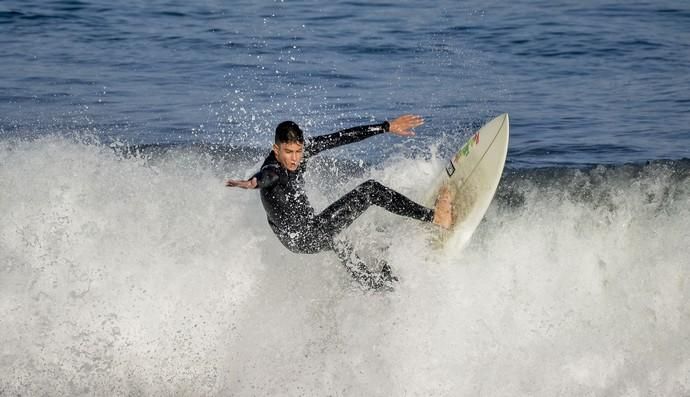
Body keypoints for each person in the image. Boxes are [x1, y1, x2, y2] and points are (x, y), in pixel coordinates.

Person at [226, 114, 452, 289]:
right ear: (276, 150)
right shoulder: (273, 169)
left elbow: (341, 137)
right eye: (288, 152)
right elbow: (267, 177)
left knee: (339, 241)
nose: (295, 158)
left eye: (298, 151)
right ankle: (435, 217)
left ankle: (373, 285)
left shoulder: (300, 154)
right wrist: (251, 183)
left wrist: (387, 127)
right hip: (305, 234)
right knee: (370, 191)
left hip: (295, 238)